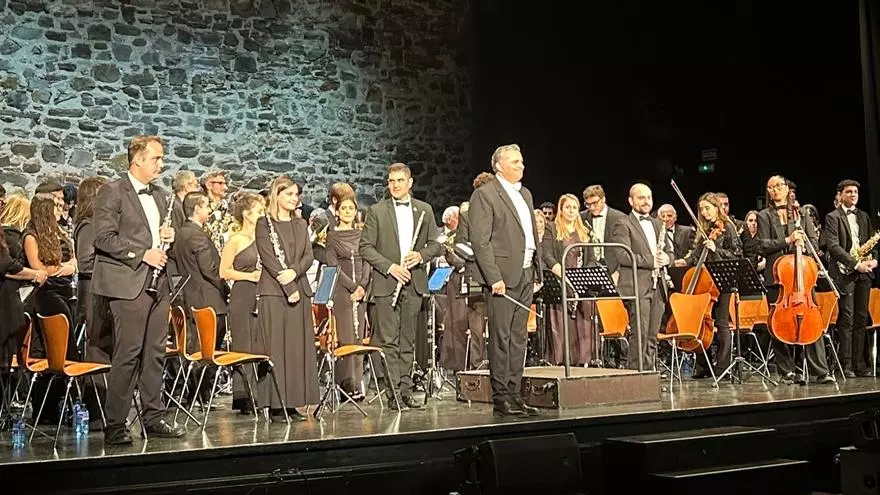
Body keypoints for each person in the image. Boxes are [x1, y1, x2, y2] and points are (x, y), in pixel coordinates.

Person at [92, 135, 185, 444]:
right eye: (157, 158)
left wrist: (167, 237)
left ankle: (153, 415)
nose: (162, 164)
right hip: (127, 282)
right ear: (138, 160)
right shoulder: (112, 191)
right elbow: (103, 238)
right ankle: (115, 425)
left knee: (155, 353)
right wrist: (142, 252)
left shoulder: (160, 196)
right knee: (128, 353)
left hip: (157, 285)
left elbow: (160, 236)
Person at [359, 163, 442, 410]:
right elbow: (365, 247)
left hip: (414, 282)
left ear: (410, 182)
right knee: (389, 342)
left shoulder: (424, 210)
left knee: (408, 342)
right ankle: (393, 392)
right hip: (387, 284)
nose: (394, 185)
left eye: (399, 180)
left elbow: (436, 245)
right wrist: (390, 267)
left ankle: (406, 391)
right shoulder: (377, 211)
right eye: (391, 180)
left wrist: (421, 256)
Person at [469, 144, 543, 417]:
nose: (521, 166)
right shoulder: (485, 195)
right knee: (500, 338)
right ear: (499, 166)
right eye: (514, 162)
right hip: (502, 277)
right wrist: (494, 277)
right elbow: (481, 241)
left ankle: (515, 392)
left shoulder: (525, 193)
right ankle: (501, 396)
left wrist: (537, 272)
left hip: (525, 274)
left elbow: (531, 235)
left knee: (518, 337)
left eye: (521, 161)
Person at [744, 175, 834, 384]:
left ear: (787, 188)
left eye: (778, 186)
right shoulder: (764, 215)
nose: (774, 190)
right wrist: (786, 240)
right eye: (770, 187)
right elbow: (761, 246)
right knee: (778, 324)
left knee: (813, 322)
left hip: (802, 275)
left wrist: (803, 247)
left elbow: (814, 242)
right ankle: (787, 371)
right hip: (777, 277)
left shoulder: (802, 214)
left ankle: (820, 370)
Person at [255, 176, 317, 420]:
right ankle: (277, 405)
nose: (294, 199)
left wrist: (294, 272)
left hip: (299, 290)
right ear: (276, 196)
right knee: (278, 350)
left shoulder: (301, 224)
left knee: (296, 350)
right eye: (289, 194)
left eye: (296, 195)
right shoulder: (263, 223)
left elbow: (308, 255)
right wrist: (287, 283)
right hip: (275, 293)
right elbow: (269, 258)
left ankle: (294, 402)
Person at [607, 183, 673, 371]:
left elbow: (669, 251)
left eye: (648, 197)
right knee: (640, 333)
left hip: (658, 285)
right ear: (631, 201)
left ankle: (649, 374)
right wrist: (652, 261)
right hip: (637, 286)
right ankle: (636, 375)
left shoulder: (657, 223)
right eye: (641, 197)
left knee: (652, 335)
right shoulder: (623, 223)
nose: (646, 201)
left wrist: (667, 258)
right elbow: (623, 255)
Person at [675, 193, 742, 378]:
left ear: (716, 207)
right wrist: (684, 261)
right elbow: (696, 255)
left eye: (708, 208)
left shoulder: (728, 227)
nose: (704, 213)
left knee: (721, 325)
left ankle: (722, 368)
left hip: (722, 280)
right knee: (700, 324)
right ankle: (703, 366)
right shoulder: (703, 229)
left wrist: (716, 250)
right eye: (702, 209)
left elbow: (737, 254)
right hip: (704, 282)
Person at [174, 191, 230, 409]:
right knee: (207, 349)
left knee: (199, 347)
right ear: (197, 208)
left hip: (192, 296)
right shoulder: (196, 235)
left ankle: (198, 395)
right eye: (206, 206)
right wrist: (225, 286)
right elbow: (209, 269)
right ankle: (200, 395)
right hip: (208, 298)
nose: (209, 210)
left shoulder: (181, 233)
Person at [822, 179, 877, 377]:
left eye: (855, 192)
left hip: (864, 273)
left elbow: (873, 243)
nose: (853, 195)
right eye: (849, 192)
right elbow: (833, 246)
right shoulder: (832, 217)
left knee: (861, 318)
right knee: (847, 319)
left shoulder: (863, 216)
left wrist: (874, 261)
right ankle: (846, 365)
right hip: (845, 272)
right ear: (840, 195)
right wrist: (855, 264)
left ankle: (859, 363)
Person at [220, 192, 268, 414]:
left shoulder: (264, 239)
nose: (263, 214)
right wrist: (250, 276)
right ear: (247, 215)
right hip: (242, 295)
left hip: (261, 295)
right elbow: (224, 271)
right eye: (259, 211)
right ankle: (244, 397)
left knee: (259, 343)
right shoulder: (236, 240)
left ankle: (259, 394)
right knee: (244, 345)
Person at [541, 193, 596, 367]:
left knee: (584, 318)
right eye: (567, 207)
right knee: (562, 320)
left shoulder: (585, 231)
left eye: (574, 207)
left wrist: (584, 278)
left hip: (581, 281)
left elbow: (591, 258)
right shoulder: (552, 228)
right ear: (561, 210)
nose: (571, 211)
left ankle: (584, 360)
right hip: (560, 279)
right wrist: (561, 273)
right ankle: (561, 361)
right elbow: (547, 255)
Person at [325, 195, 371, 399]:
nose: (347, 211)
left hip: (360, 291)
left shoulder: (363, 234)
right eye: (343, 208)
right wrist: (352, 286)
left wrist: (362, 286)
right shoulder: (332, 236)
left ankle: (358, 384)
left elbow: (368, 261)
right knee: (346, 337)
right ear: (337, 212)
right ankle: (345, 385)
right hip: (342, 291)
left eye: (351, 208)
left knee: (358, 337)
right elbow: (332, 265)